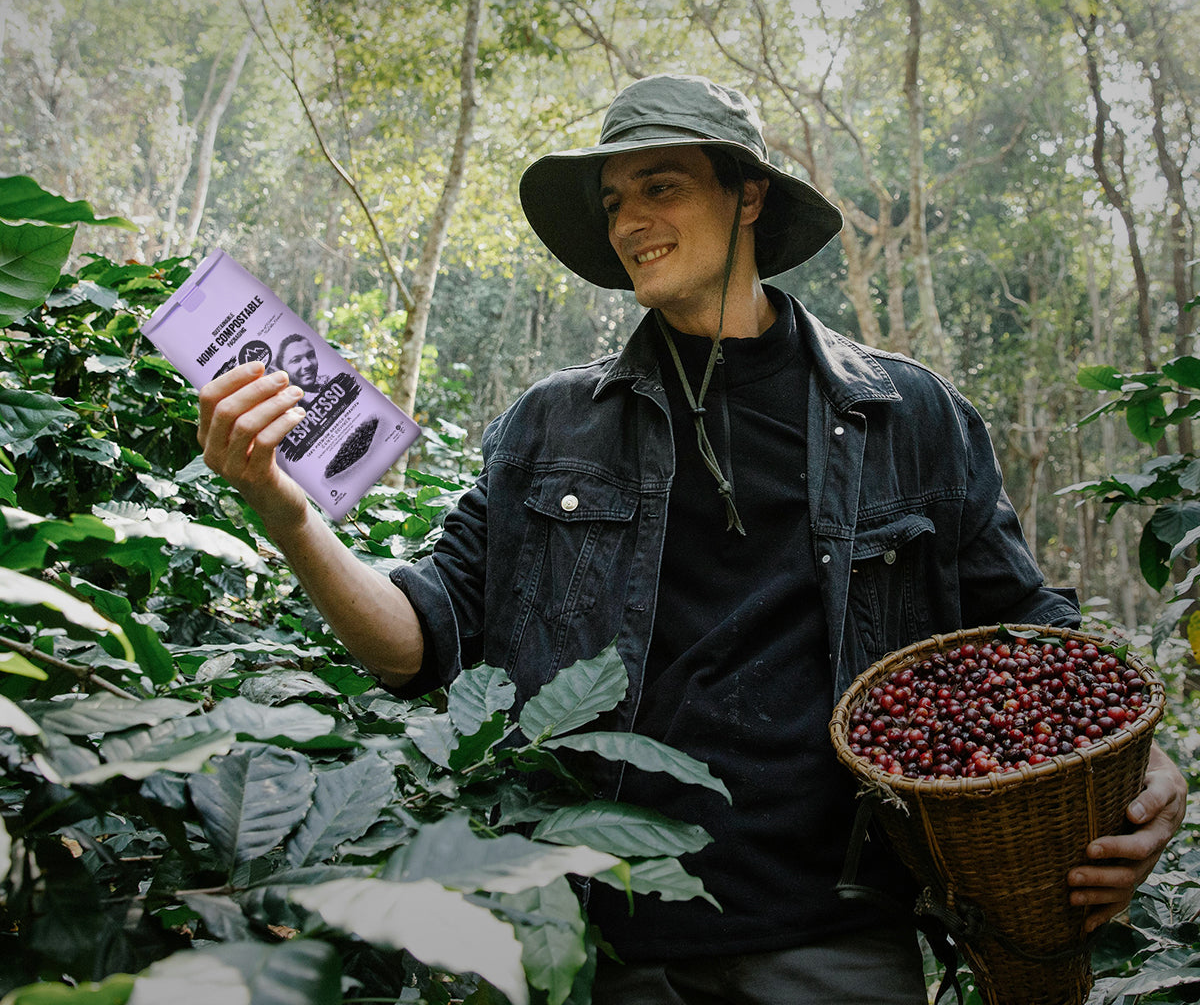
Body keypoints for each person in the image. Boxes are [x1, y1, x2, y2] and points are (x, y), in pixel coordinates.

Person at [197, 74, 1188, 1004]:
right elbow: (417, 642)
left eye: (660, 188)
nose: (629, 223)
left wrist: (1148, 767)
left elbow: (1033, 633)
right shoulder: (551, 428)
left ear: (748, 196)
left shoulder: (909, 417)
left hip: (836, 934)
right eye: (615, 201)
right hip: (612, 940)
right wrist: (289, 517)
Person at [272, 333, 327, 410]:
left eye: (310, 355)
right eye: (296, 360)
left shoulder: (327, 383)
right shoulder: (283, 406)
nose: (308, 364)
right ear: (281, 368)